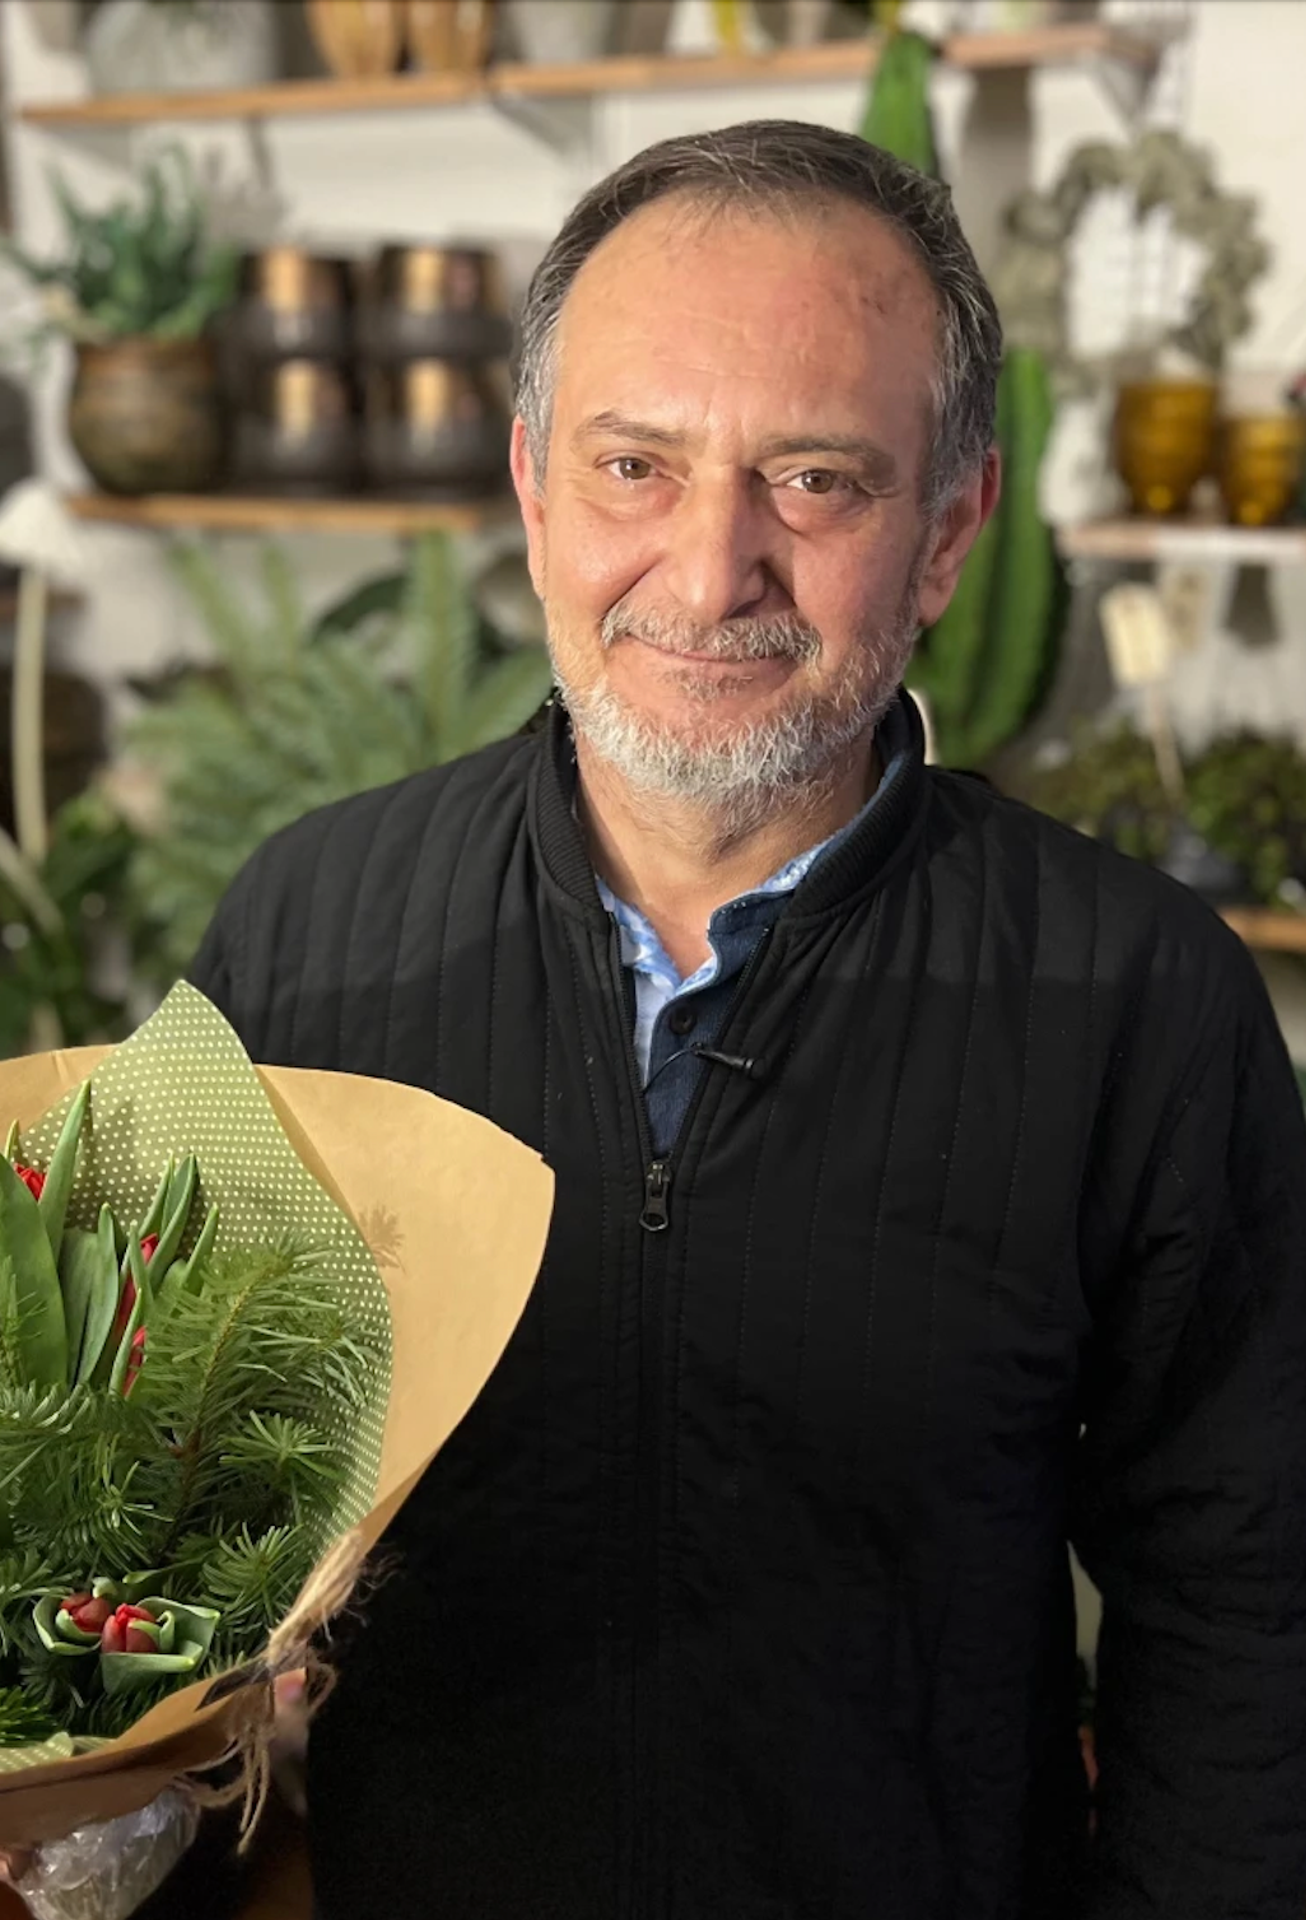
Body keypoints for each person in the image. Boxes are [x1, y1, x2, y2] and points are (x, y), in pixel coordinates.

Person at [189, 121, 1306, 1918]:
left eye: (815, 482)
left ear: (947, 538)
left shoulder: (1138, 999)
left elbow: (1250, 1612)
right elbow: (161, 1482)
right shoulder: (305, 938)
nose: (712, 575)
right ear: (535, 490)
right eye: (637, 465)